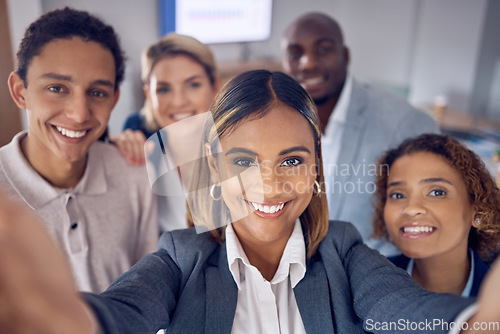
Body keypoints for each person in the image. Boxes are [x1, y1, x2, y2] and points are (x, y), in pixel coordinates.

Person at [1, 70, 500, 334]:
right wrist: (63, 318)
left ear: (315, 169)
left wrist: (475, 323)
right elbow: (125, 308)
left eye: (291, 161)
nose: (268, 184)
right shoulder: (181, 256)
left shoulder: (344, 250)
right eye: (242, 161)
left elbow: (401, 308)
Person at [0, 7, 158, 293]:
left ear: (113, 99)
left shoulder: (133, 174)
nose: (79, 114)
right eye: (57, 88)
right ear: (20, 91)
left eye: (97, 93)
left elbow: (147, 288)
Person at [281, 12, 440, 256]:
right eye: (295, 53)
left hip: (376, 273)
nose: (307, 63)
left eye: (323, 49)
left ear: (345, 56)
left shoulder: (405, 123)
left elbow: (432, 219)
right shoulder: (279, 119)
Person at [112, 33, 220, 233]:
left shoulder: (238, 140)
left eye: (193, 85)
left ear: (215, 87)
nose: (178, 101)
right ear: (149, 96)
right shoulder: (140, 133)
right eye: (163, 89)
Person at [372, 134, 500, 297]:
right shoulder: (369, 284)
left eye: (436, 192)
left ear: (477, 209)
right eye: (398, 195)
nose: (411, 209)